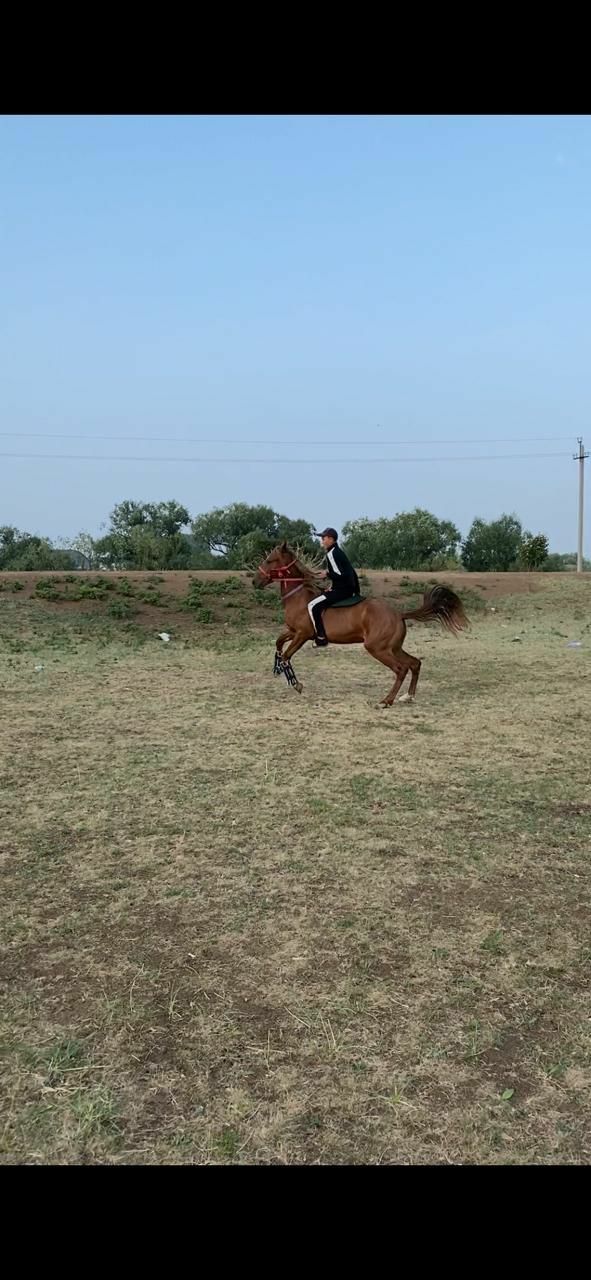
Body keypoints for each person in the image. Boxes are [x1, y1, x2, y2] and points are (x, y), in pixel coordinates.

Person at [308, 527, 361, 647]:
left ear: (331, 539)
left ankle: (321, 637)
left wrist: (327, 574)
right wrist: (332, 586)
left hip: (344, 590)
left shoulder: (332, 553)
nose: (322, 540)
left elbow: (340, 574)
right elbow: (347, 573)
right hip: (346, 588)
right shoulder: (336, 551)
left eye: (324, 538)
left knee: (312, 605)